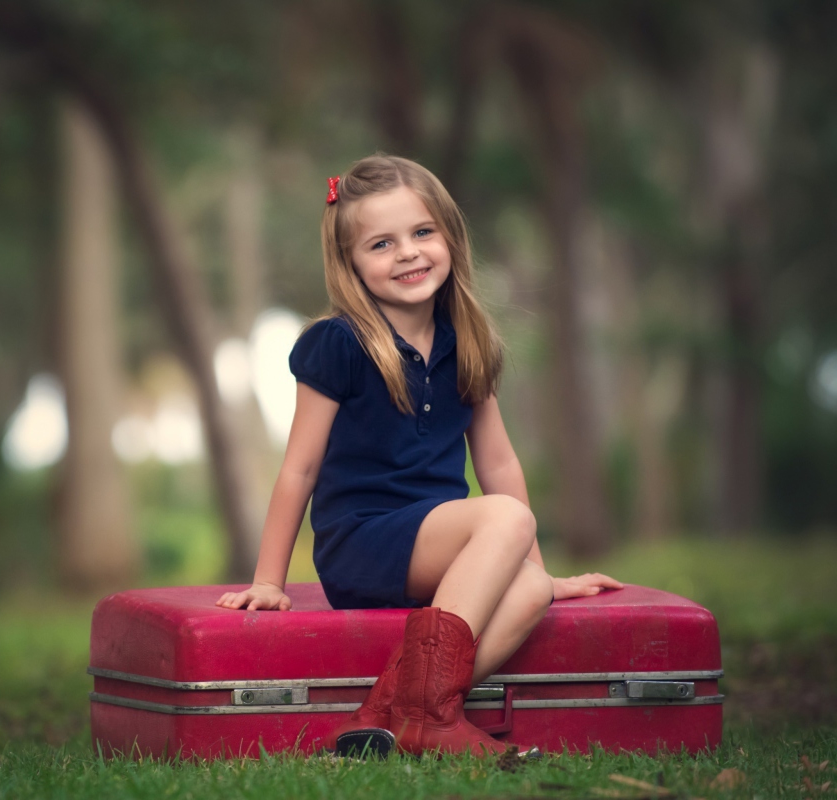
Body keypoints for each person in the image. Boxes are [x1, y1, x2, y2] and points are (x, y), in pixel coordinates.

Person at [216, 154, 621, 757]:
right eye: (381, 243)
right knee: (506, 515)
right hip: (364, 546)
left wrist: (535, 569)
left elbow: (499, 465)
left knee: (531, 590)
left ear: (450, 238)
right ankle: (425, 714)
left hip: (439, 553)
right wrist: (269, 580)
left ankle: (393, 710)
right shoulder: (339, 344)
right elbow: (298, 468)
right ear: (350, 262)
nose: (407, 253)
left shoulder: (468, 343)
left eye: (422, 232)